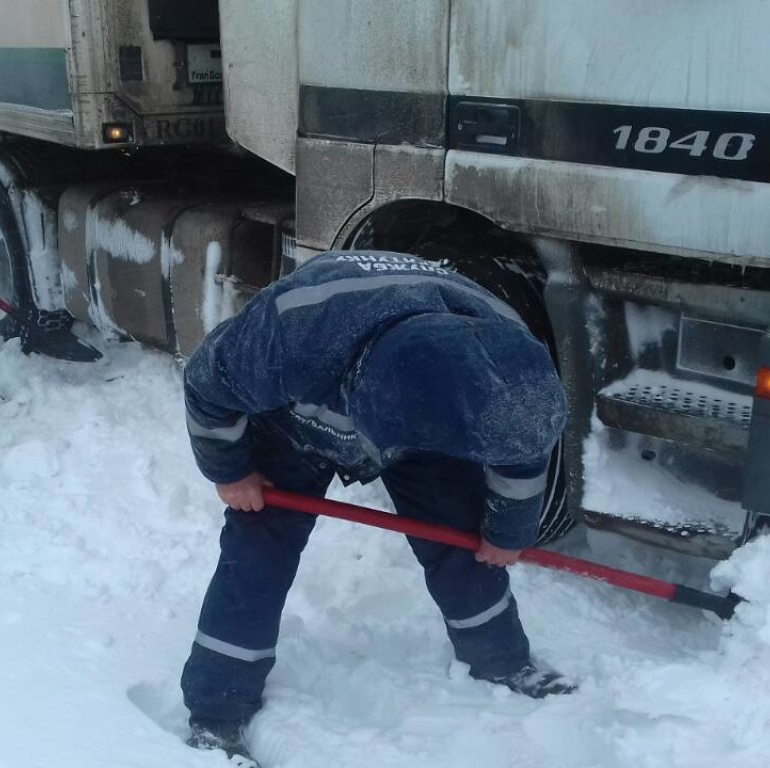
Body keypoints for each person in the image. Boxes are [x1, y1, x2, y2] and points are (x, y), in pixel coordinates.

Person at [180, 250, 574, 765]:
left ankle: (502, 662)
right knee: (260, 548)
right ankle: (217, 709)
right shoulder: (290, 332)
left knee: (459, 539)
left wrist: (507, 529)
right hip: (296, 416)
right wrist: (230, 471)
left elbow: (520, 453)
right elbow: (208, 385)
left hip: (425, 416)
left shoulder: (505, 367)